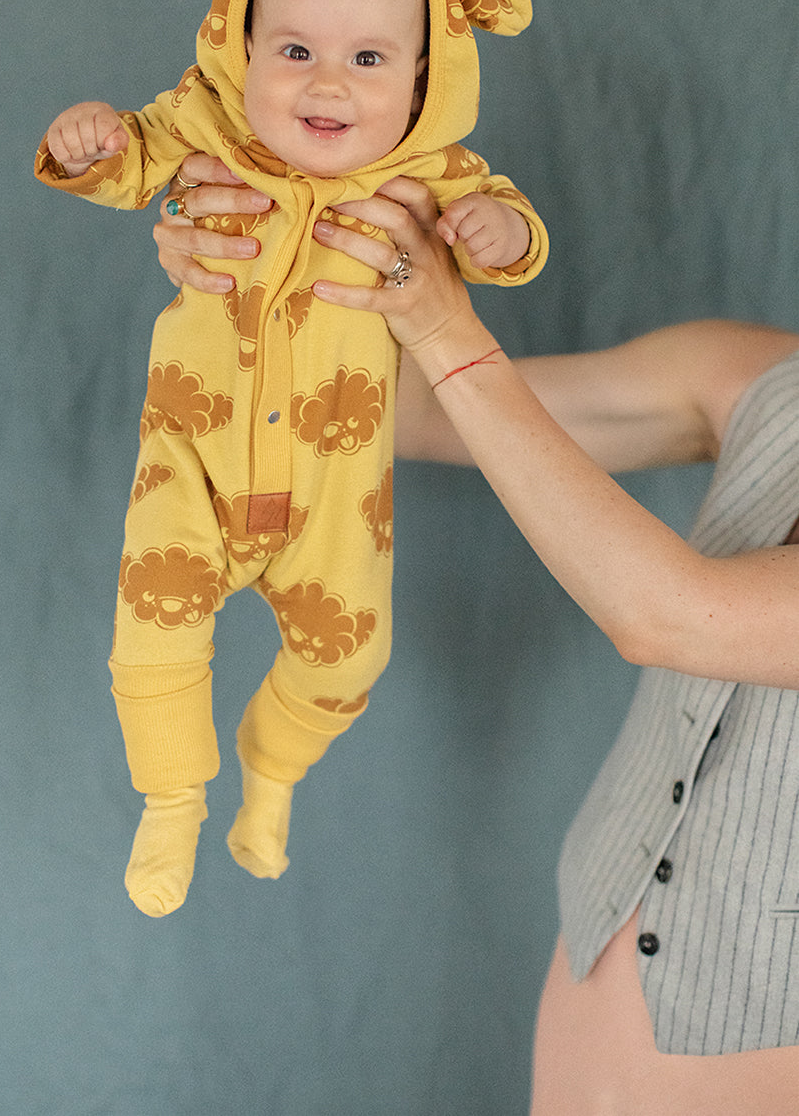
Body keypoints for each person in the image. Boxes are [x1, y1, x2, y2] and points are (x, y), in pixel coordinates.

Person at [154, 164, 798, 1111]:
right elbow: (413, 413)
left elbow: (665, 613)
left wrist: (448, 326)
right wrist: (253, 283)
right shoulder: (757, 377)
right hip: (603, 951)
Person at [34, 0, 549, 917]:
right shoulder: (208, 131)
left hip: (336, 494)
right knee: (152, 630)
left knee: (351, 657)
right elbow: (128, 156)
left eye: (369, 57)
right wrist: (92, 142)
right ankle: (174, 796)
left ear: (421, 78)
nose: (327, 84)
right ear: (242, 47)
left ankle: (271, 772)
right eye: (296, 49)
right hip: (195, 465)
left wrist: (501, 234)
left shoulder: (428, 178)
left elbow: (504, 223)